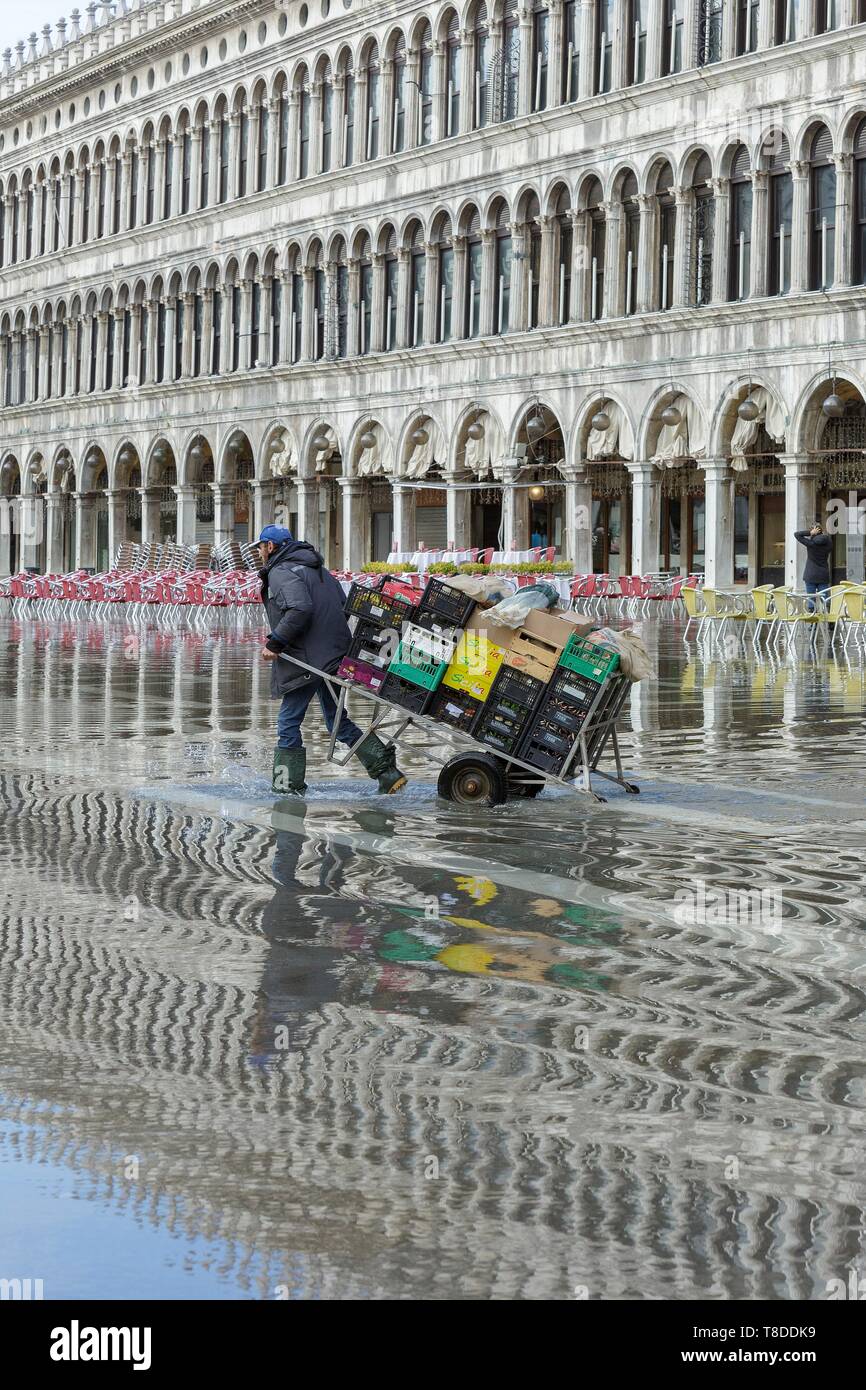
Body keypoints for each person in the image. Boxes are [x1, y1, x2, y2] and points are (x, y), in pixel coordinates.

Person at [258, 525, 407, 796]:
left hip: (307, 660)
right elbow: (340, 604)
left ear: (270, 547)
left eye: (260, 547)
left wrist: (275, 642)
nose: (259, 553)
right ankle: (387, 773)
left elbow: (300, 607)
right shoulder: (320, 571)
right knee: (336, 721)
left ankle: (286, 788)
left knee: (288, 721)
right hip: (335, 657)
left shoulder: (280, 571)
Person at [794, 523, 833, 612]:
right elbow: (827, 538)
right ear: (821, 531)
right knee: (825, 600)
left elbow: (797, 534)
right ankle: (829, 621)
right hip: (823, 575)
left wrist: (810, 533)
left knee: (811, 599)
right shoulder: (828, 542)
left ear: (814, 531)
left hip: (810, 575)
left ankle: (813, 623)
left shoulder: (811, 543)